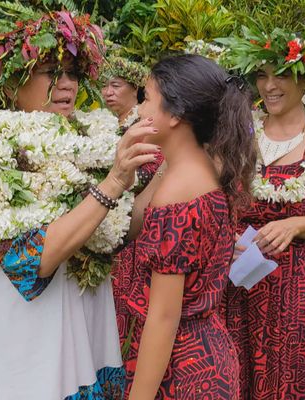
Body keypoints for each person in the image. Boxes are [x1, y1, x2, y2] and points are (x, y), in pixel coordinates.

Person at [0, 12, 158, 399]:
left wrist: (160, 173)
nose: (66, 84)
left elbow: (113, 236)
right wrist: (112, 183)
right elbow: (32, 261)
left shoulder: (83, 138)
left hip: (82, 321)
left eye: (73, 73)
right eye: (51, 71)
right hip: (27, 339)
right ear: (11, 81)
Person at [112, 54, 257, 399]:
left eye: (147, 98)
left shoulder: (176, 196)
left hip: (180, 370)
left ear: (176, 115)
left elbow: (164, 316)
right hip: (211, 352)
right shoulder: (211, 167)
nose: (140, 110)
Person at [220, 27, 305, 399]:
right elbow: (216, 193)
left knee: (290, 375)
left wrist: (294, 224)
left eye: (280, 73)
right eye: (261, 75)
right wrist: (223, 233)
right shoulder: (241, 130)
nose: (269, 85)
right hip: (235, 271)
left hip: (293, 284)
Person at [101, 55, 148, 129]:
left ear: (135, 88)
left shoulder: (144, 118)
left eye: (115, 86)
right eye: (104, 86)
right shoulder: (102, 120)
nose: (108, 93)